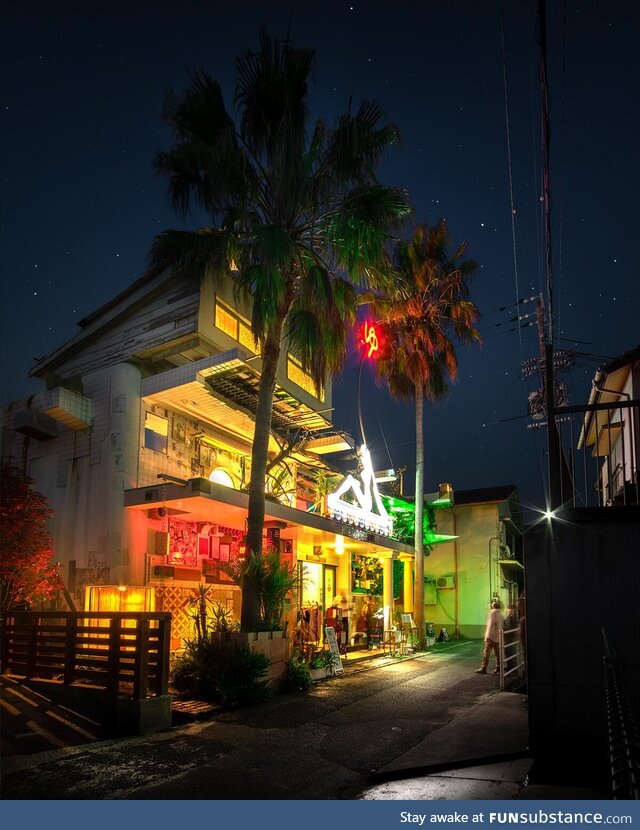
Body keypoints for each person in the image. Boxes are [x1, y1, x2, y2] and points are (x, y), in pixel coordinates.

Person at [475, 600, 504, 675]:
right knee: (498, 654)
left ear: (493, 606)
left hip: (491, 637)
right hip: (498, 637)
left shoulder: (492, 613)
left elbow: (490, 625)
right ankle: (498, 669)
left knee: (486, 653)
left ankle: (483, 668)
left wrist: (487, 636)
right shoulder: (501, 615)